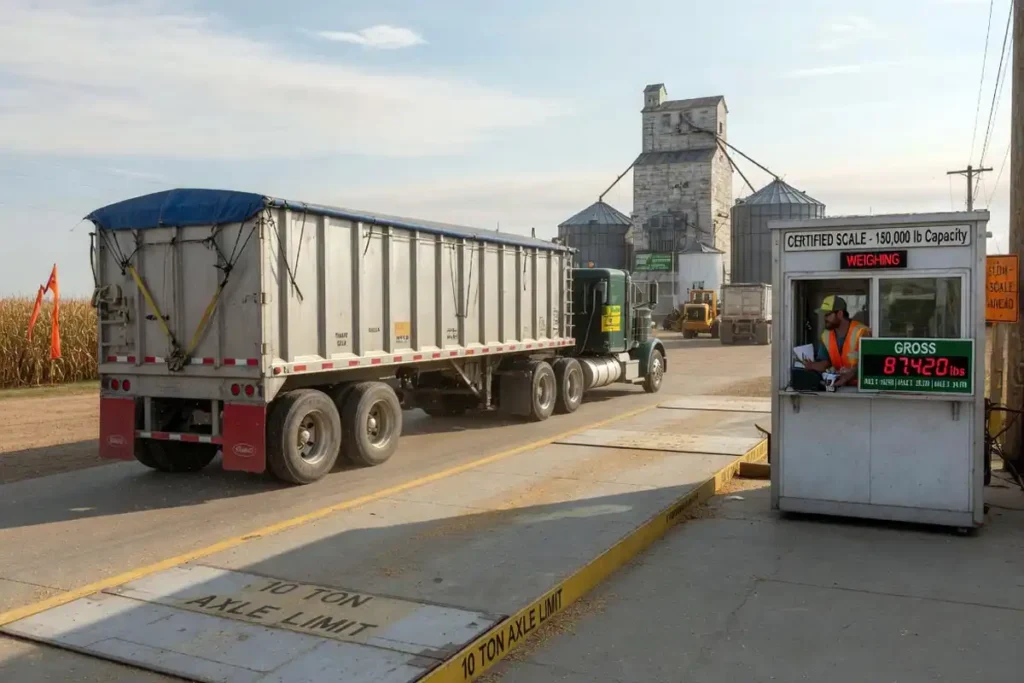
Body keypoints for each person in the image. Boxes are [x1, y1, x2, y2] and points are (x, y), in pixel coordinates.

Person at [804, 295, 871, 388]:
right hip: (838, 387)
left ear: (839, 314)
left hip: (860, 389)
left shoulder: (862, 332)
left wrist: (852, 373)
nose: (825, 318)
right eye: (824, 315)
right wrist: (811, 365)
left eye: (828, 314)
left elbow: (870, 364)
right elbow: (826, 363)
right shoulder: (826, 335)